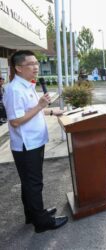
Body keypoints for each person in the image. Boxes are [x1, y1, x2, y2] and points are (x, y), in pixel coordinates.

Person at [3, 50, 68, 233]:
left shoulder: (27, 85)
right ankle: (42, 223)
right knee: (34, 183)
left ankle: (32, 214)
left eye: (36, 63)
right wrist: (40, 105)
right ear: (18, 68)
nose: (36, 67)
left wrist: (51, 111)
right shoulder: (14, 90)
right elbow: (15, 121)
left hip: (34, 141)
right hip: (26, 145)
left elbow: (29, 111)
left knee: (29, 182)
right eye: (30, 64)